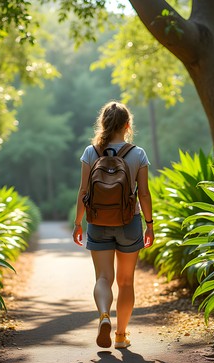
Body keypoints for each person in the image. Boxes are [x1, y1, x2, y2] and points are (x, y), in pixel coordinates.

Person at [72, 101, 155, 349]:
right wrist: (149, 224)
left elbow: (84, 190)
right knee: (126, 282)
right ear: (128, 125)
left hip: (97, 221)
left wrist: (78, 223)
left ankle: (104, 316)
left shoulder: (91, 152)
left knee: (103, 278)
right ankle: (120, 335)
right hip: (130, 223)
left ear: (103, 124)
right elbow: (144, 194)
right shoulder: (137, 153)